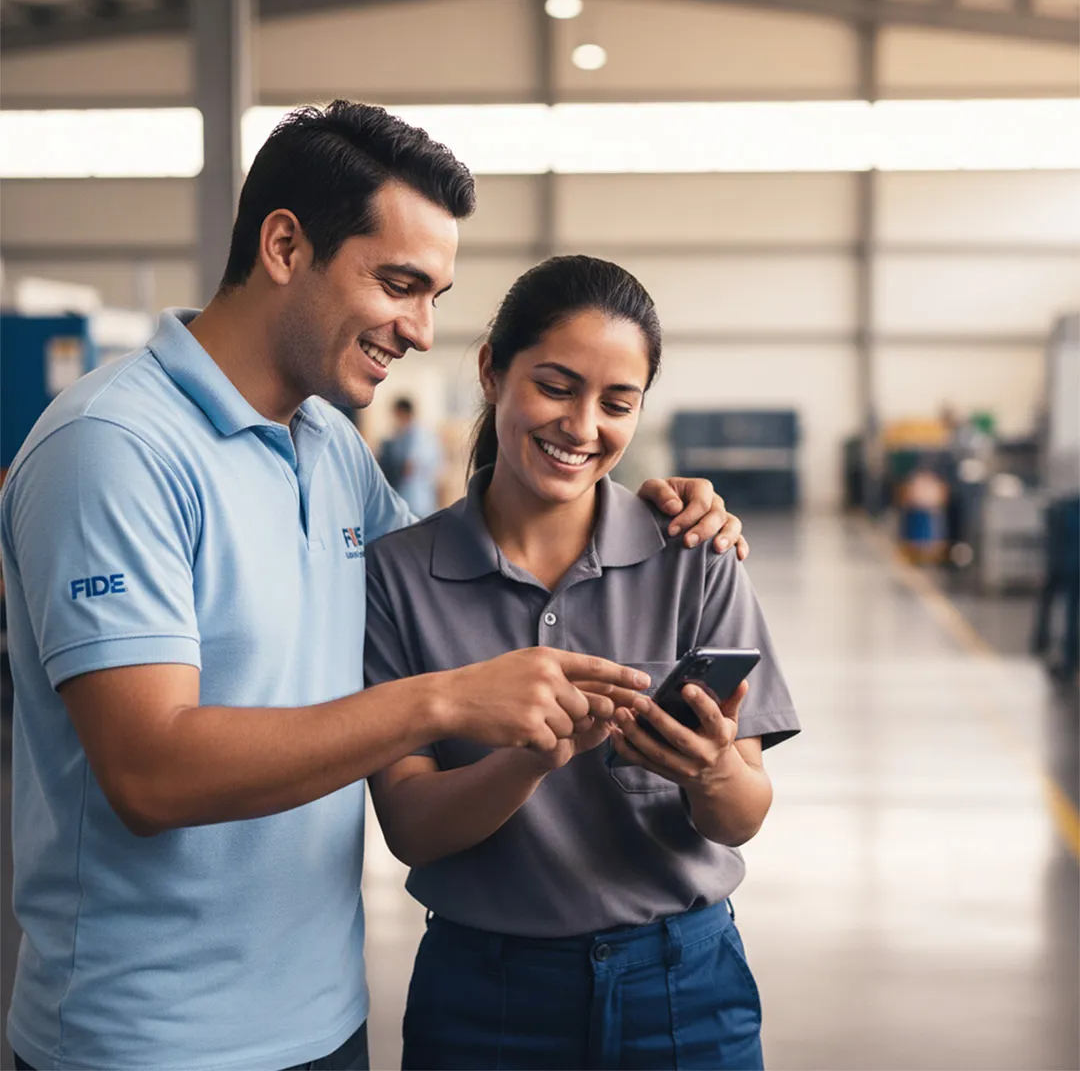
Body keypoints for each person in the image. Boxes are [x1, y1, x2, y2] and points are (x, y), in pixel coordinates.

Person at [0, 103, 750, 1071]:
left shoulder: (331, 452)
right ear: (283, 244)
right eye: (399, 285)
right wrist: (439, 701)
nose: (422, 330)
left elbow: (472, 568)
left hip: (325, 1019)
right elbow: (150, 772)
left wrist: (645, 503)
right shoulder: (114, 448)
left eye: (437, 294)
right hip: (148, 1040)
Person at [365, 255, 801, 1071]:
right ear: (494, 370)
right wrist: (531, 759)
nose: (582, 426)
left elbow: (741, 815)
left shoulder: (696, 559)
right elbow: (410, 827)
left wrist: (710, 774)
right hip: (486, 1002)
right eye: (557, 386)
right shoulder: (398, 577)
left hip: (684, 994)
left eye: (617, 402)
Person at [377, 396, 443, 517]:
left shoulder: (419, 435)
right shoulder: (400, 435)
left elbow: (409, 467)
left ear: (402, 413)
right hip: (409, 499)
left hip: (417, 500)